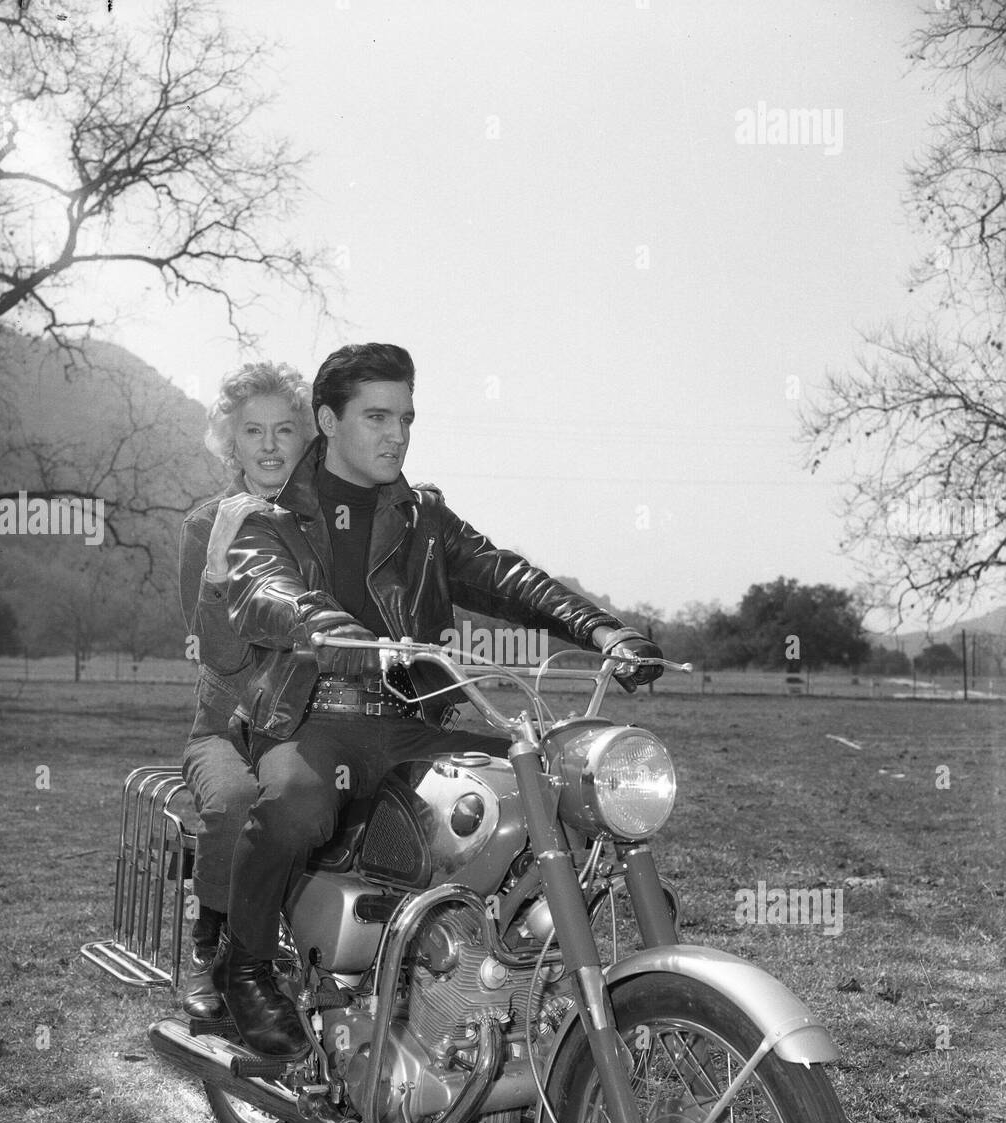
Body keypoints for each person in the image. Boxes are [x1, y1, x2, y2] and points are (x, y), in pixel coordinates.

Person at [211, 342, 665, 1057]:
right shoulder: (268, 523)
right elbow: (272, 598)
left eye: (407, 419)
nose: (397, 434)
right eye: (377, 417)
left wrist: (603, 630)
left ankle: (502, 966)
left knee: (549, 785)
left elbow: (507, 577)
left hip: (411, 723)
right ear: (327, 421)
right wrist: (358, 640)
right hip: (311, 720)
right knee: (296, 806)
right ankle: (243, 967)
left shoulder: (424, 520)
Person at [177, 362, 316, 1019]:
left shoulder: (324, 529)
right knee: (236, 801)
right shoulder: (208, 524)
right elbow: (214, 648)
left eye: (284, 429)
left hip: (307, 726)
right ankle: (214, 953)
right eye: (252, 430)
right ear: (229, 443)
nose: (268, 444)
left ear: (306, 439)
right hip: (227, 728)